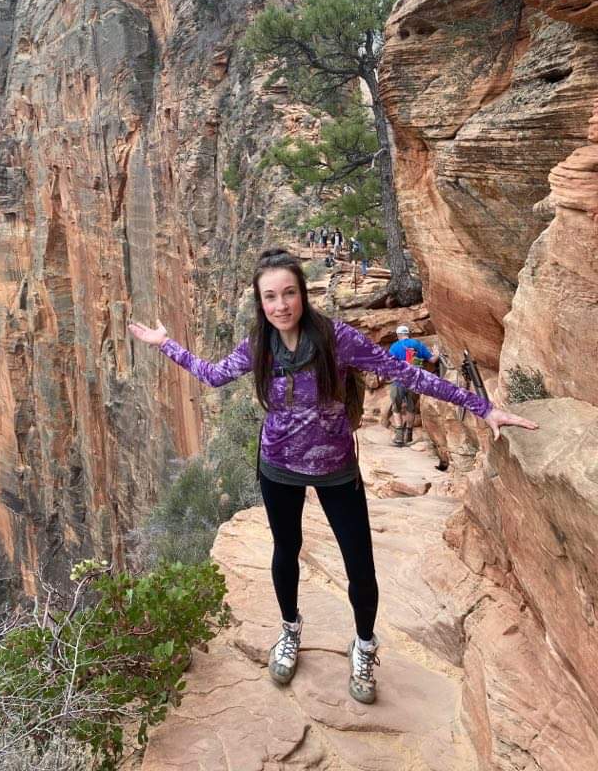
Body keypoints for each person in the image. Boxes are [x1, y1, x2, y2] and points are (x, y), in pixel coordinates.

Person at [128, 249, 536, 706]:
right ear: (260, 303)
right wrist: (166, 343)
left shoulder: (337, 339)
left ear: (302, 293)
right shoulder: (259, 346)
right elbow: (212, 374)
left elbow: (407, 374)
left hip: (336, 471)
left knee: (359, 564)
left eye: (288, 293)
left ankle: (364, 645)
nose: (280, 305)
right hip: (278, 468)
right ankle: (290, 629)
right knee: (286, 552)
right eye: (270, 297)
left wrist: (483, 407)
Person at [388, 325, 437, 446]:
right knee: (411, 408)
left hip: (398, 380)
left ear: (398, 335)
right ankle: (409, 435)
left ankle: (399, 437)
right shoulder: (418, 344)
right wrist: (437, 353)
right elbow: (432, 360)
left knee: (396, 408)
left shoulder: (394, 346)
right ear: (408, 334)